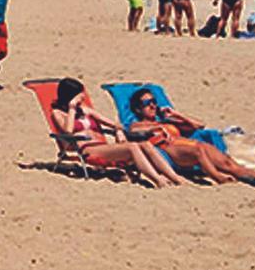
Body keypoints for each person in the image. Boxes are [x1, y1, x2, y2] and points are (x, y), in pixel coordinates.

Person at [49, 78, 187, 188]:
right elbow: (67, 130)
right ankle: (157, 180)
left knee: (145, 144)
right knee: (132, 147)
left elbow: (115, 124)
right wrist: (72, 108)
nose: (83, 98)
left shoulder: (85, 110)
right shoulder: (58, 113)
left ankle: (174, 177)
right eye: (80, 95)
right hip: (86, 150)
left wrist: (121, 130)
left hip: (103, 146)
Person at [127, 88, 255, 184]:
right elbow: (133, 132)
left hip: (186, 145)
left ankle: (251, 174)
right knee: (198, 149)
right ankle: (218, 177)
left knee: (225, 160)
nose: (152, 106)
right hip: (171, 150)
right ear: (138, 109)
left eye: (154, 102)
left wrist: (177, 115)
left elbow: (199, 125)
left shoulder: (166, 121)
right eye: (147, 103)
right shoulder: (137, 124)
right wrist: (157, 128)